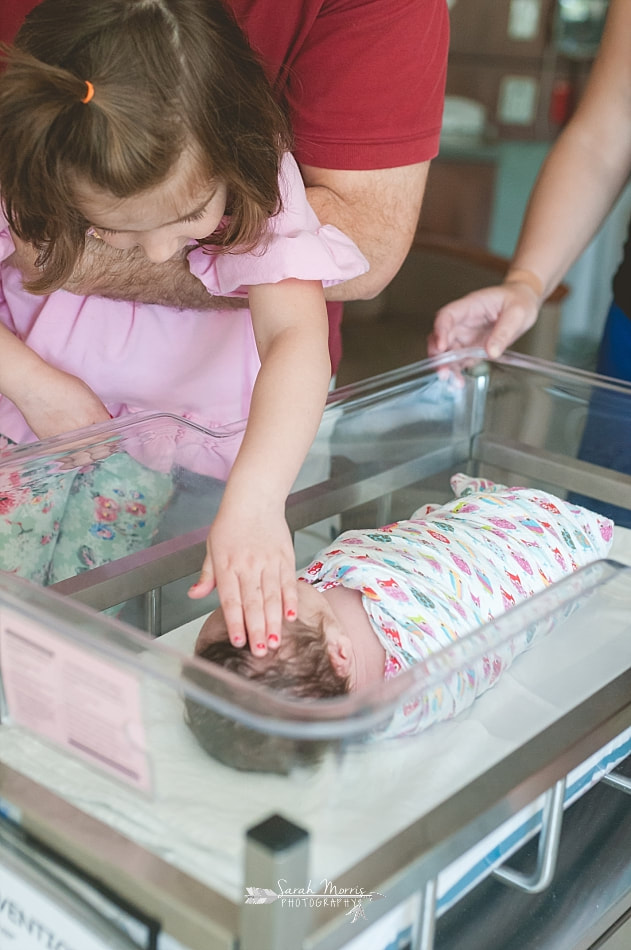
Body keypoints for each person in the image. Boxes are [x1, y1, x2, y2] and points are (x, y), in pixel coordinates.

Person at [0, 0, 374, 651]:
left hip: (145, 453)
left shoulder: (262, 176)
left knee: (85, 623)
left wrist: (258, 501)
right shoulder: (33, 151)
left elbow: (295, 339)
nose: (156, 256)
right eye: (109, 227)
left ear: (238, 144)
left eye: (192, 215)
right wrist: (32, 382)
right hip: (18, 429)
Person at [186, 472, 613, 771]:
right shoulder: (413, 689)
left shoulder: (328, 646)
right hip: (528, 546)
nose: (255, 593)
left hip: (449, 539)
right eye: (266, 604)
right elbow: (473, 649)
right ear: (339, 653)